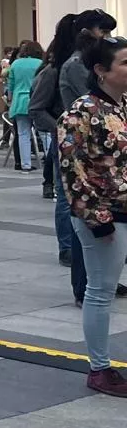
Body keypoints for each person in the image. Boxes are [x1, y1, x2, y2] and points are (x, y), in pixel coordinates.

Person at [59, 35, 127, 395]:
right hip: (104, 213)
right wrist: (95, 218)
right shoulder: (81, 112)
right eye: (125, 63)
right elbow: (72, 169)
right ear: (101, 70)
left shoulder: (122, 105)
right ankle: (100, 368)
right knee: (100, 290)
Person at [33, 15, 78, 265]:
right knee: (65, 195)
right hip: (67, 141)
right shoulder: (54, 70)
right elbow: (37, 109)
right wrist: (64, 129)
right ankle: (67, 247)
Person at [5, 41, 45, 171]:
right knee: (45, 133)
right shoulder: (41, 64)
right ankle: (51, 159)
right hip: (38, 100)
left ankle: (25, 164)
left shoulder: (16, 63)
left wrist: (10, 100)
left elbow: (10, 85)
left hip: (19, 100)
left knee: (23, 134)